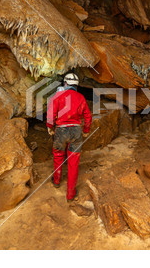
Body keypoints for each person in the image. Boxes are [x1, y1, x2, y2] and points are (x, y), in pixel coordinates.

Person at [46, 73, 92, 202]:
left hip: (61, 131)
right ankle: (70, 194)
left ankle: (56, 180)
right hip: (76, 131)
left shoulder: (58, 96)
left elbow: (50, 115)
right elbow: (88, 117)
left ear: (65, 84)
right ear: (76, 86)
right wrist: (86, 131)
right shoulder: (81, 97)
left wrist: (50, 127)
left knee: (58, 155)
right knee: (73, 162)